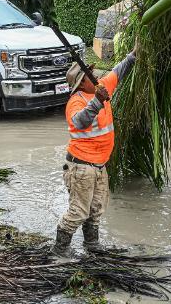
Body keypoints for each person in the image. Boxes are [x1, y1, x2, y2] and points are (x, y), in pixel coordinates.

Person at [53, 43, 138, 256]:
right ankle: (60, 249)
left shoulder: (100, 87)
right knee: (78, 211)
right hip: (81, 167)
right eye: (90, 74)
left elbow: (118, 71)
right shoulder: (76, 101)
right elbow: (79, 122)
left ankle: (91, 245)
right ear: (82, 83)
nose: (96, 76)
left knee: (96, 208)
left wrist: (134, 53)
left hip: (99, 165)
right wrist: (97, 101)